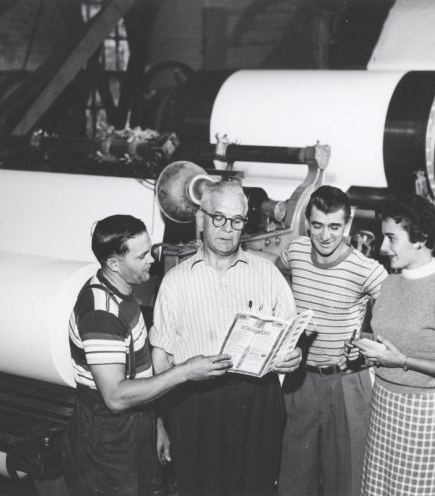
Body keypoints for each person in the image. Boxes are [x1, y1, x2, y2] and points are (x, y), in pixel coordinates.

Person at [150, 180, 302, 496]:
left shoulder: (267, 273)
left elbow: (291, 339)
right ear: (201, 219)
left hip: (257, 401)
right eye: (218, 218)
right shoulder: (175, 282)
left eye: (236, 221)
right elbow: (161, 359)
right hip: (195, 404)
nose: (226, 229)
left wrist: (293, 357)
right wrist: (161, 421)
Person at [65, 214, 232, 496]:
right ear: (114, 264)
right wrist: (185, 371)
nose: (152, 260)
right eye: (142, 256)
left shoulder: (123, 293)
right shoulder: (101, 314)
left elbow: (139, 374)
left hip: (136, 423)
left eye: (150, 250)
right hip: (109, 433)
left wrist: (156, 426)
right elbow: (116, 397)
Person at [355, 194, 435, 496]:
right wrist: (366, 346)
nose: (383, 248)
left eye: (391, 238)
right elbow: (395, 340)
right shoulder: (390, 283)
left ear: (420, 239)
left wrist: (404, 361)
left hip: (419, 414)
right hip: (382, 403)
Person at [277, 185, 388, 496]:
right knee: (293, 480)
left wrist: (369, 339)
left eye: (335, 227)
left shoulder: (366, 270)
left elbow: (396, 310)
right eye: (317, 225)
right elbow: (277, 279)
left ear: (347, 226)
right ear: (307, 223)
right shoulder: (296, 252)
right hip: (300, 382)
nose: (325, 236)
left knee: (347, 481)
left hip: (347, 384)